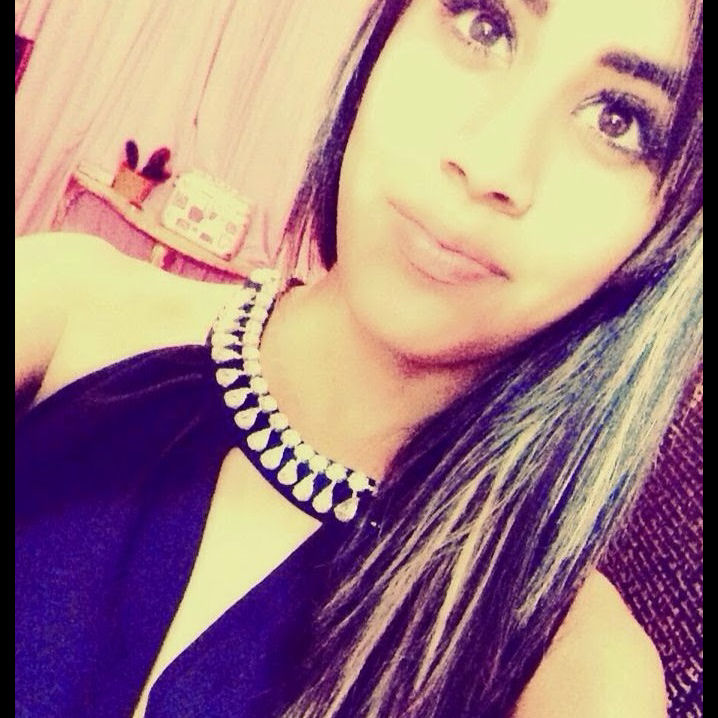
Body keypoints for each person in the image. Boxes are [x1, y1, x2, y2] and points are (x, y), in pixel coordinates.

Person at [15, 0, 702, 716]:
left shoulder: (578, 674)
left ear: (668, 230)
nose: (491, 162)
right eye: (486, 27)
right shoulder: (59, 310)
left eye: (618, 119)